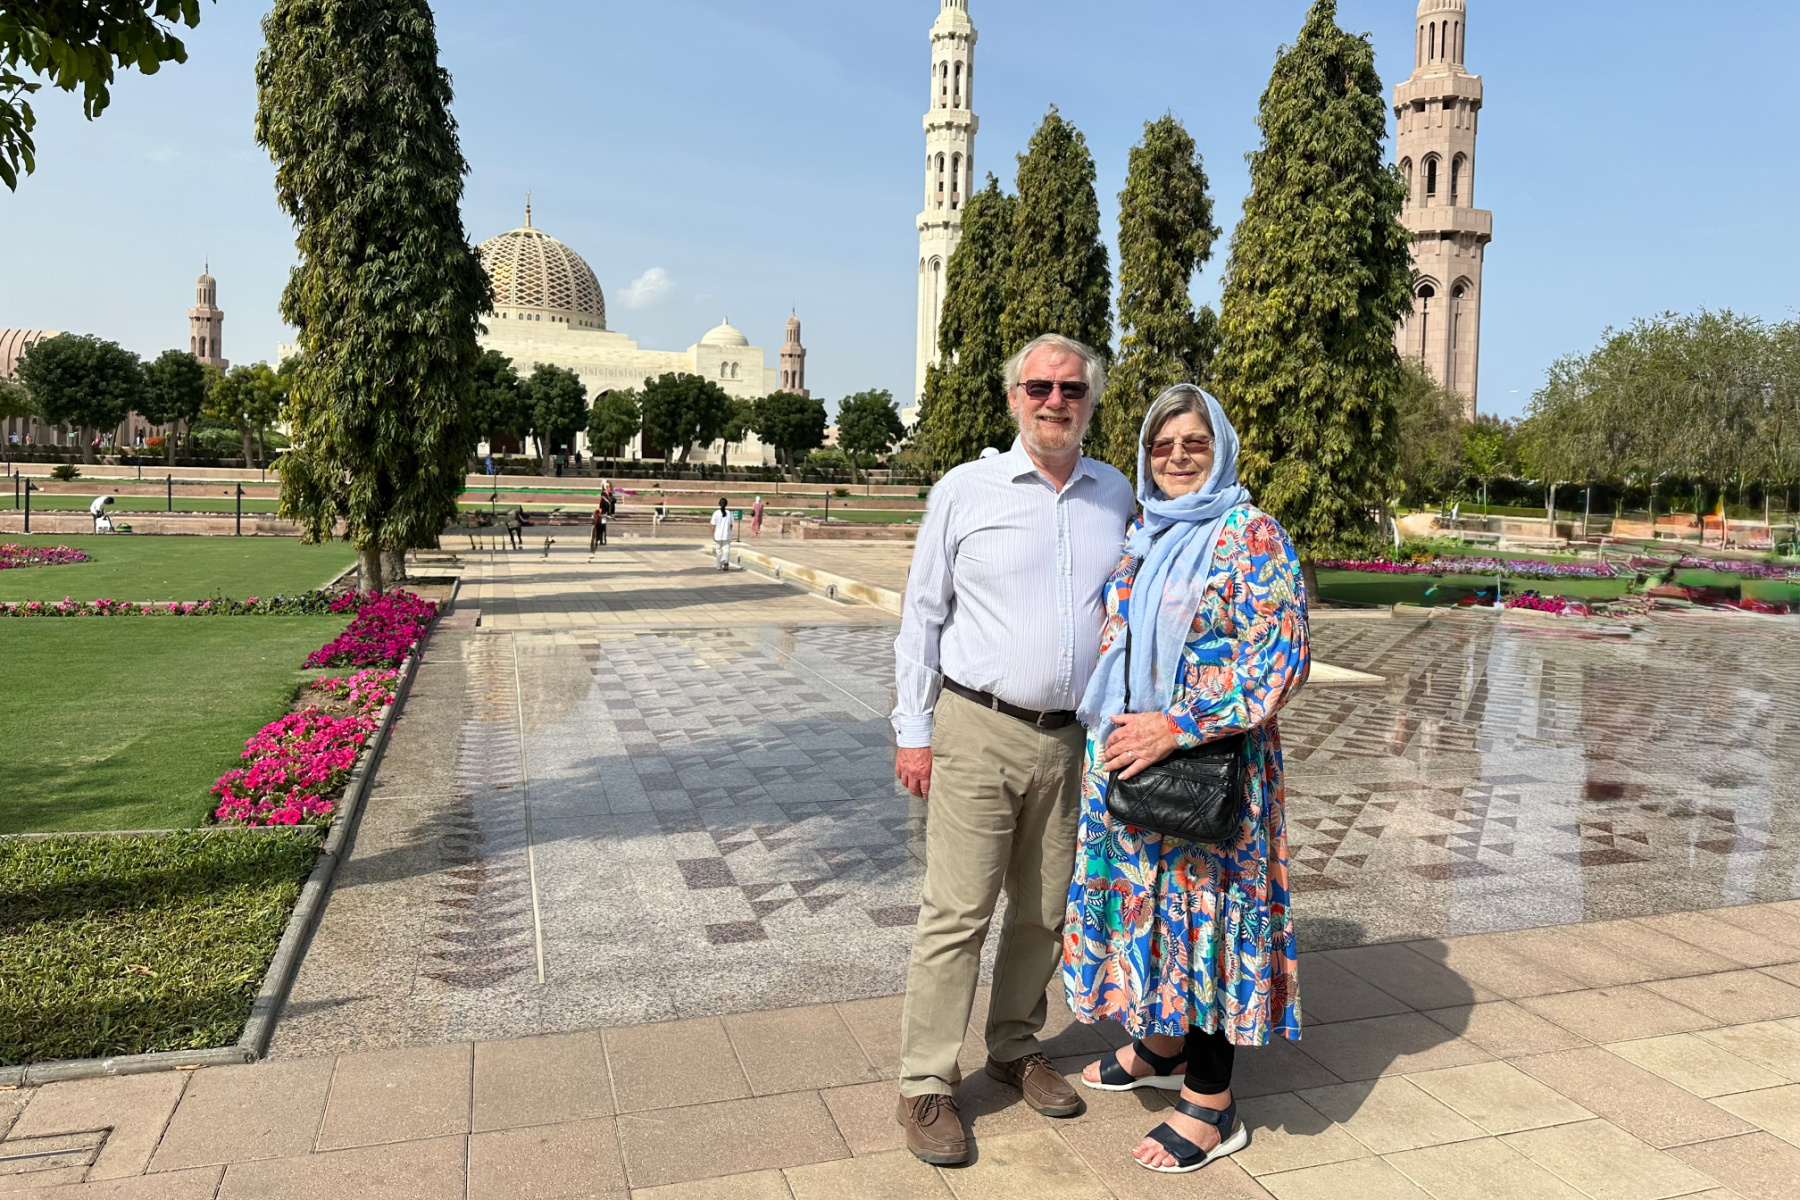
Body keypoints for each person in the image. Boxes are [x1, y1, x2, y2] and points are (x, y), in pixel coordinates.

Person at [890, 334, 1137, 1166]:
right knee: (958, 911)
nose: (1054, 401)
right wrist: (913, 729)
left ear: (1090, 401)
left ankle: (1013, 1045)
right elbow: (923, 614)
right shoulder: (968, 490)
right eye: (1039, 387)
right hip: (978, 726)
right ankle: (926, 1081)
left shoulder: (1114, 494)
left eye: (1071, 389)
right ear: (1013, 398)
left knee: (1042, 909)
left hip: (1070, 739)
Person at [1063, 385, 1309, 1175]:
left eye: (1193, 443)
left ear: (1220, 449)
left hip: (1208, 765)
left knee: (1205, 918)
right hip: (1134, 761)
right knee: (1156, 912)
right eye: (1162, 445)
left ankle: (1211, 1100)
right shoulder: (1145, 534)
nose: (1176, 457)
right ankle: (1163, 1044)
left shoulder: (1251, 535)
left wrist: (1176, 725)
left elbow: (1280, 660)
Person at [710, 497, 735, 569]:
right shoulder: (729, 513)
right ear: (726, 504)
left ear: (719, 504)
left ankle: (719, 565)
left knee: (718, 550)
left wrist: (713, 534)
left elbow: (713, 525)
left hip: (718, 534)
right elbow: (731, 524)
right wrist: (729, 532)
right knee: (726, 548)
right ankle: (725, 561)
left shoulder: (716, 513)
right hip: (726, 534)